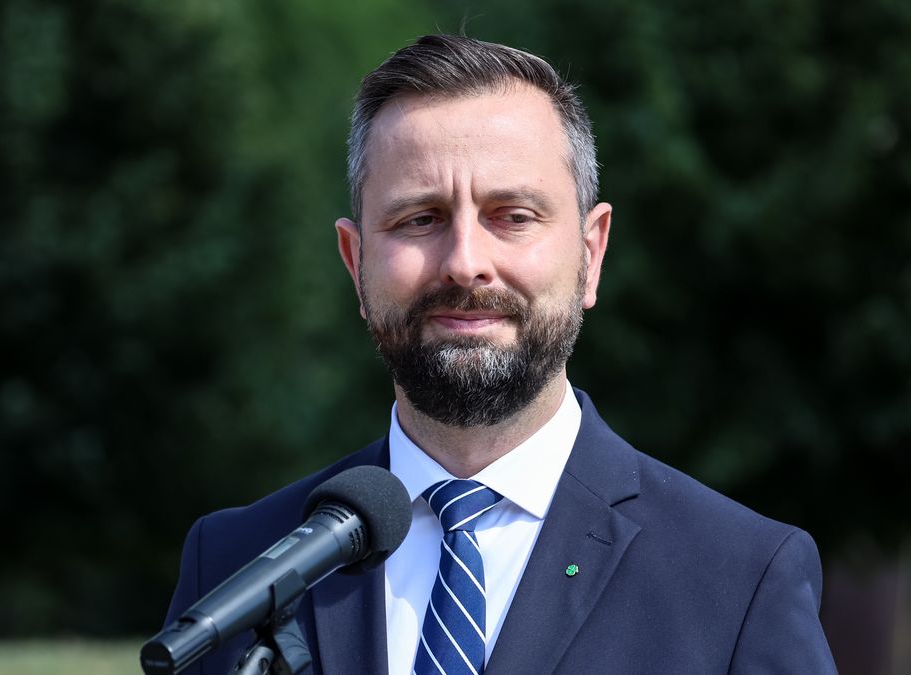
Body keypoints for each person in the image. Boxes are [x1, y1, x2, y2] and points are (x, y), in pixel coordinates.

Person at [163, 34, 837, 674]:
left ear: (591, 253)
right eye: (419, 219)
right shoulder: (237, 565)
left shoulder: (739, 577)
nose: (464, 262)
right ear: (355, 260)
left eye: (512, 216)